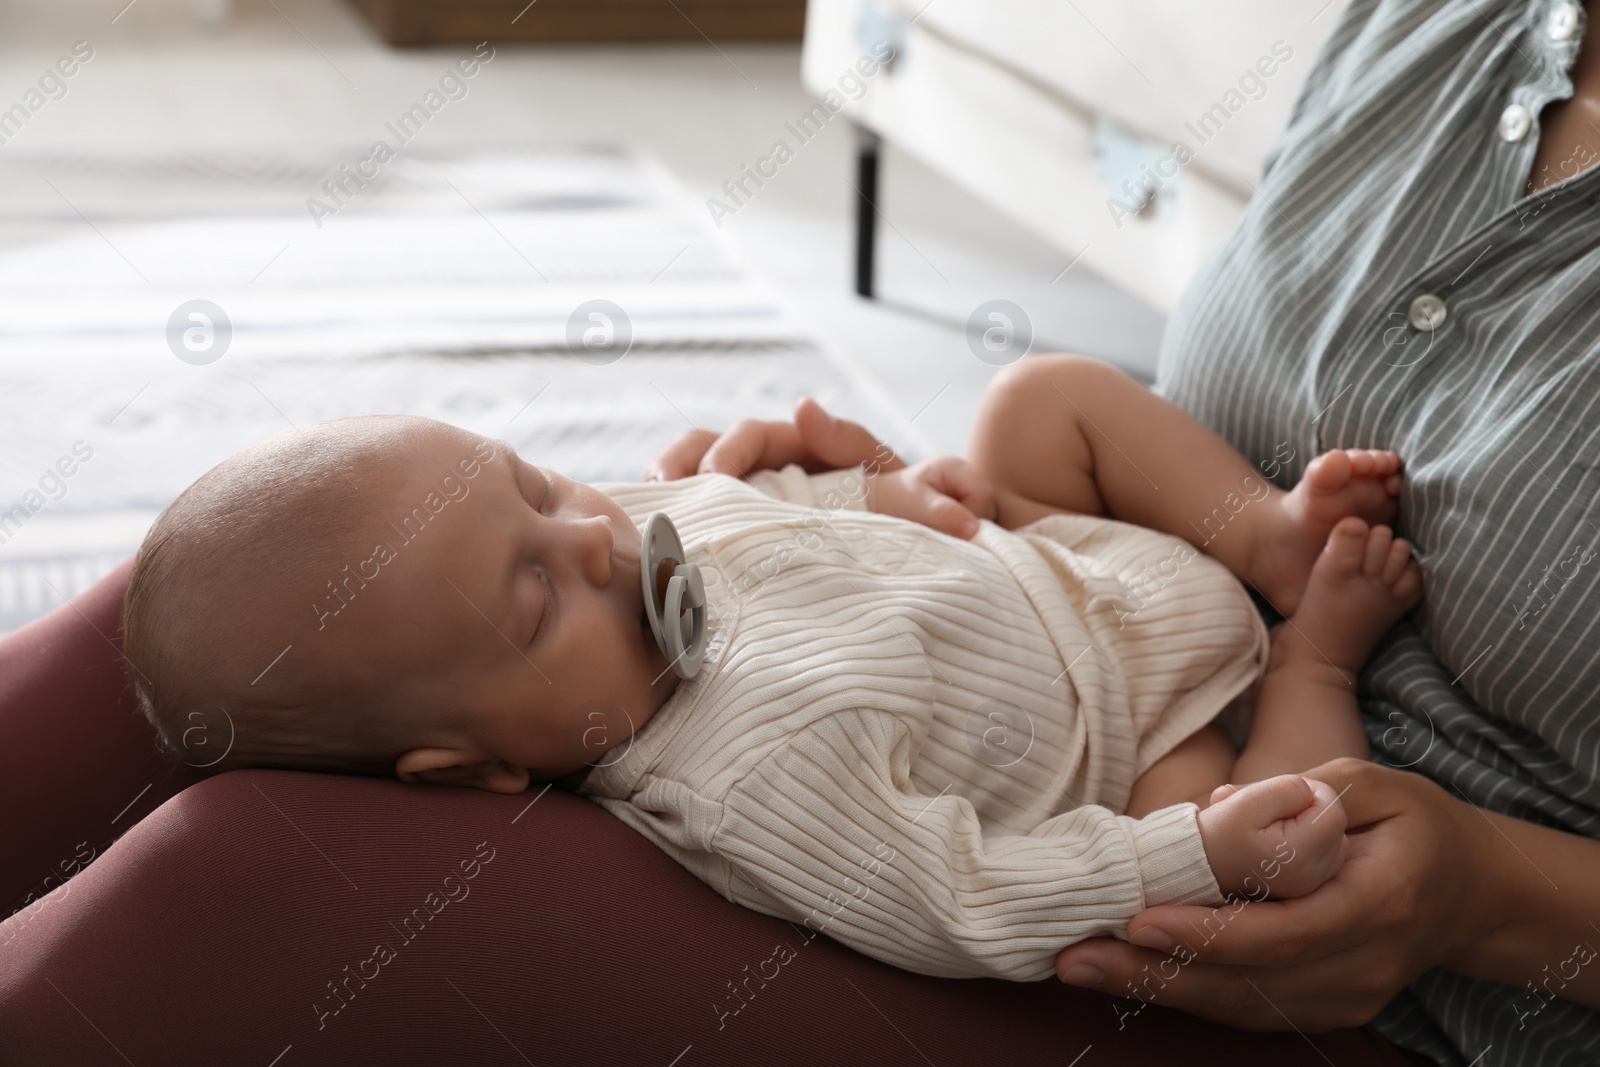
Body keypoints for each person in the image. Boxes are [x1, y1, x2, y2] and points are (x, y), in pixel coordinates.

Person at [647, 1, 1600, 1058]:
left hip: (1370, 966)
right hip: (1106, 643)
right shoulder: (1440, 22)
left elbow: (1014, 882)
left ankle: (1311, 662)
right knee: (1030, 400)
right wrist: (902, 530)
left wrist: (1484, 893)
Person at [121, 361, 1416, 981]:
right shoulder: (747, 781)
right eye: (532, 595)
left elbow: (764, 498)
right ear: (480, 762)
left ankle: (1265, 534)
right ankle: (1311, 645)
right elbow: (962, 893)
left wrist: (893, 484)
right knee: (1289, 853)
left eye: (532, 481)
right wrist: (1183, 849)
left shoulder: (608, 540)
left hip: (1049, 556)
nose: (587, 534)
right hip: (1139, 733)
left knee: (1039, 399)